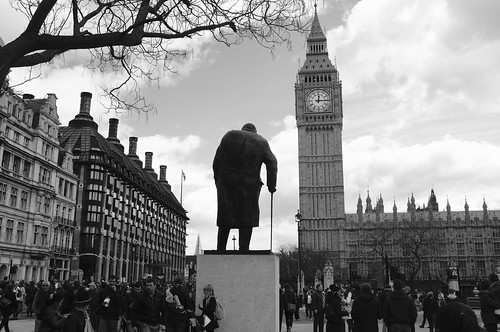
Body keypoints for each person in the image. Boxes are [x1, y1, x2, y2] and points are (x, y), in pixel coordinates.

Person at [213, 123, 278, 251]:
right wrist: (271, 185)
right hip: (250, 184)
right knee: (247, 217)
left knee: (225, 217)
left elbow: (216, 161)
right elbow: (272, 162)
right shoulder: (262, 142)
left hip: (226, 182)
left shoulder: (229, 135)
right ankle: (244, 248)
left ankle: (220, 249)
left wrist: (218, 181)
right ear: (255, 131)